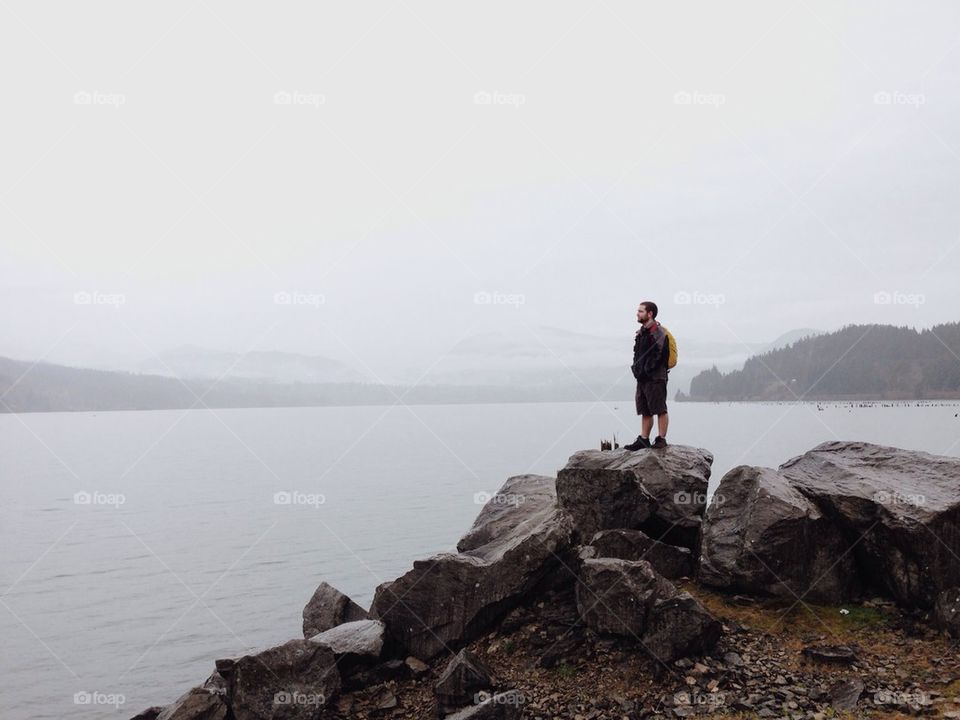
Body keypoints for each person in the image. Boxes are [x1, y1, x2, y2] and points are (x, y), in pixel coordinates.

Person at [625, 301, 670, 450]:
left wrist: (647, 370)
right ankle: (644, 439)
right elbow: (636, 353)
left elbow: (660, 355)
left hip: (656, 378)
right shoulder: (641, 333)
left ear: (650, 314)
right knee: (645, 410)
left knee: (660, 408)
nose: (637, 314)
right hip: (642, 378)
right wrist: (636, 370)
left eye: (641, 311)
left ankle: (661, 439)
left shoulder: (659, 332)